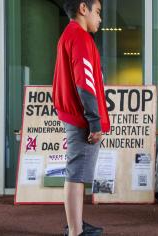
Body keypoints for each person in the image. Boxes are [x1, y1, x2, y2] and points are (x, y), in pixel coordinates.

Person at [52, 0, 110, 235]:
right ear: (83, 9)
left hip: (76, 115)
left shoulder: (69, 34)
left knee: (76, 172)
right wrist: (94, 122)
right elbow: (84, 82)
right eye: (97, 12)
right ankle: (76, 231)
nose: (100, 18)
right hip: (82, 119)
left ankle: (75, 223)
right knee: (76, 175)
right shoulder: (80, 37)